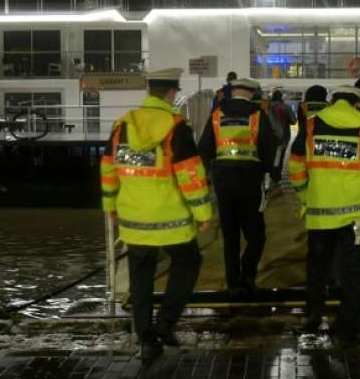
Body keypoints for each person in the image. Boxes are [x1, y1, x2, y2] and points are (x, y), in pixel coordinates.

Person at [101, 68, 214, 361]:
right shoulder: (176, 127)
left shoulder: (121, 126)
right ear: (171, 93)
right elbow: (191, 175)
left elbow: (108, 170)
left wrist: (110, 207)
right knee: (188, 262)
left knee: (141, 278)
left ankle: (146, 339)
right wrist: (203, 214)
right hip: (171, 220)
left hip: (134, 219)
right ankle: (165, 324)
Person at [288, 85, 360, 346]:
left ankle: (314, 316)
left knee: (317, 265)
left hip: (320, 213)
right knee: (354, 270)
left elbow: (295, 164)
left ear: (332, 101)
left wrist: (306, 196)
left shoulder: (311, 125)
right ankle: (348, 326)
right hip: (359, 217)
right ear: (356, 103)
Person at [198, 78, 280, 295]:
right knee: (256, 235)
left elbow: (204, 147)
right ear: (251, 93)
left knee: (230, 236)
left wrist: (204, 177)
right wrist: (271, 173)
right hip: (249, 181)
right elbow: (270, 146)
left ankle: (232, 282)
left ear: (232, 92)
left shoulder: (217, 115)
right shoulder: (256, 115)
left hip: (223, 182)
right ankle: (248, 276)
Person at [269, 89, 297, 169]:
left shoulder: (267, 107)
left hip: (269, 136)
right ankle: (276, 175)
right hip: (284, 137)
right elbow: (294, 121)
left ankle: (269, 172)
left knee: (270, 154)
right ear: (281, 98)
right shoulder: (286, 107)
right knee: (280, 156)